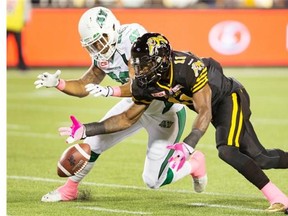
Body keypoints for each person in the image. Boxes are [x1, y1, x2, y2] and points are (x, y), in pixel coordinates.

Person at [61, 33, 288, 212]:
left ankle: (280, 199)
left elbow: (205, 110)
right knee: (261, 157)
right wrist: (87, 129)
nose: (139, 71)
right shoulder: (146, 82)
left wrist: (189, 144)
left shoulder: (186, 67)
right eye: (137, 65)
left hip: (229, 99)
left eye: (145, 65)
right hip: (207, 108)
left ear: (160, 61)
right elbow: (126, 118)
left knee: (227, 150)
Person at [34, 7, 207, 202]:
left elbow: (139, 85)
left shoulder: (134, 39)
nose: (98, 48)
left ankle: (194, 165)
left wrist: (109, 91)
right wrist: (59, 83)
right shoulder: (102, 53)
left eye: (100, 41)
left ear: (113, 28)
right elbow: (85, 84)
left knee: (153, 180)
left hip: (164, 113)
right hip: (133, 106)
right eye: (92, 45)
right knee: (94, 143)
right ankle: (69, 190)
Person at [7, 0, 32, 70]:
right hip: (13, 24)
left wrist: (25, 20)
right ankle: (21, 65)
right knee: (19, 46)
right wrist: (26, 20)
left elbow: (26, 9)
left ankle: (21, 64)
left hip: (15, 25)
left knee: (19, 46)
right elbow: (27, 9)